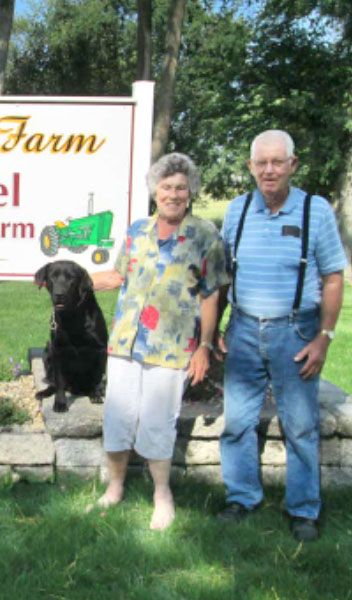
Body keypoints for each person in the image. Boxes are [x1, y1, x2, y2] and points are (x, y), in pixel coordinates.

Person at [216, 130, 347, 542]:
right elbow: (223, 276)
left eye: (277, 162)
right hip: (242, 328)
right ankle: (242, 498)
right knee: (236, 422)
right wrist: (214, 330)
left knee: (301, 425)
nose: (269, 170)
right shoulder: (237, 210)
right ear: (251, 166)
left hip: (296, 330)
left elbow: (333, 277)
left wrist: (324, 336)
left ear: (292, 164)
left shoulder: (315, 210)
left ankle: (304, 510)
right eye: (261, 163)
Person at [89, 152, 228, 530]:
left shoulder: (205, 235)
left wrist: (205, 345)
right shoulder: (137, 231)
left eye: (181, 188)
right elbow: (118, 276)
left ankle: (161, 494)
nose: (173, 194)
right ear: (155, 191)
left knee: (157, 422)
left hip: (172, 346)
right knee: (117, 417)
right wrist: (67, 278)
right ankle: (115, 487)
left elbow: (211, 294)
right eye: (166, 187)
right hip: (125, 343)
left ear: (190, 192)